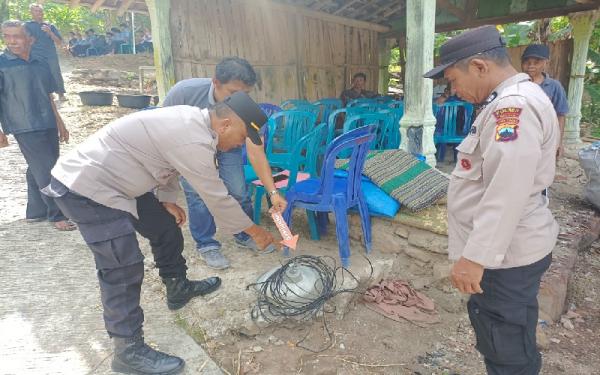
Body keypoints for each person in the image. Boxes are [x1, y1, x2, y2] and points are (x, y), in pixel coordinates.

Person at [42, 92, 278, 375]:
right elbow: (216, 197)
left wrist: (166, 198)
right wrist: (254, 231)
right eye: (241, 138)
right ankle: (127, 350)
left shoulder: (195, 125)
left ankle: (177, 287)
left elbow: (168, 165)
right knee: (122, 266)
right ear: (226, 124)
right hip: (88, 187)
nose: (239, 145)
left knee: (166, 227)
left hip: (123, 180)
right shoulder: (193, 138)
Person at [424, 25, 559, 375]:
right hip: (510, 250)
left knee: (505, 347)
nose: (453, 90)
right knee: (511, 337)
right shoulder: (509, 101)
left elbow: (507, 190)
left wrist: (475, 258)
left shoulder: (511, 108)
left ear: (480, 67)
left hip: (504, 258)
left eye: (453, 80)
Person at [163, 57, 286, 269]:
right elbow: (163, 128)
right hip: (191, 148)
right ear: (215, 82)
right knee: (197, 193)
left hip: (230, 146)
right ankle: (207, 243)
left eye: (245, 94)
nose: (239, 100)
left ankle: (244, 233)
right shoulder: (184, 92)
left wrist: (273, 192)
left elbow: (256, 152)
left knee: (238, 189)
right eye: (232, 92)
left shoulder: (245, 107)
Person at [0, 20, 74, 231]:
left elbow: (48, 95)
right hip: (23, 123)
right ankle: (56, 214)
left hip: (47, 121)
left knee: (40, 167)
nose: (12, 41)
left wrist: (59, 122)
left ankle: (35, 211)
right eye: (7, 36)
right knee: (47, 168)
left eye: (17, 36)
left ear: (30, 39)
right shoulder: (2, 64)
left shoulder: (41, 61)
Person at [521, 44, 569, 158]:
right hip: (522, 137)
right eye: (527, 62)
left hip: (545, 138)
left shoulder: (554, 86)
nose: (531, 66)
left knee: (543, 170)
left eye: (536, 62)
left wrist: (558, 143)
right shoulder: (516, 84)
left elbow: (561, 115)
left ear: (545, 63)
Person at [25, 3, 67, 101]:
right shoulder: (27, 25)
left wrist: (50, 32)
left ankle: (61, 94)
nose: (39, 13)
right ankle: (47, 93)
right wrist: (30, 40)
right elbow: (25, 41)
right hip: (35, 54)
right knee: (40, 74)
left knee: (55, 72)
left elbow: (59, 42)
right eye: (36, 11)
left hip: (50, 53)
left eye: (40, 11)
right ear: (31, 12)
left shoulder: (50, 25)